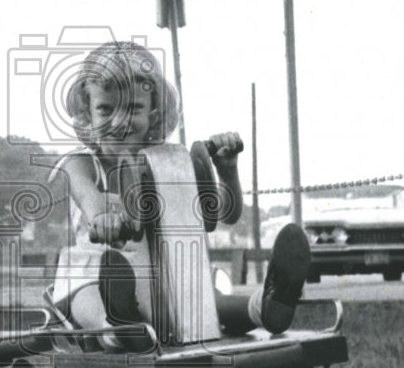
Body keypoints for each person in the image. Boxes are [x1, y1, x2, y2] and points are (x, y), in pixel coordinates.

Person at [49, 40, 311, 350]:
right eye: (106, 108)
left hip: (158, 276)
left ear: (153, 115)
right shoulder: (80, 163)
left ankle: (264, 308)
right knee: (86, 295)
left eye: (133, 108)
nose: (119, 121)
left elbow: (223, 215)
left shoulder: (166, 164)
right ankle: (114, 329)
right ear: (87, 115)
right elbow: (88, 197)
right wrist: (103, 219)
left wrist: (227, 172)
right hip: (99, 267)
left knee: (203, 297)